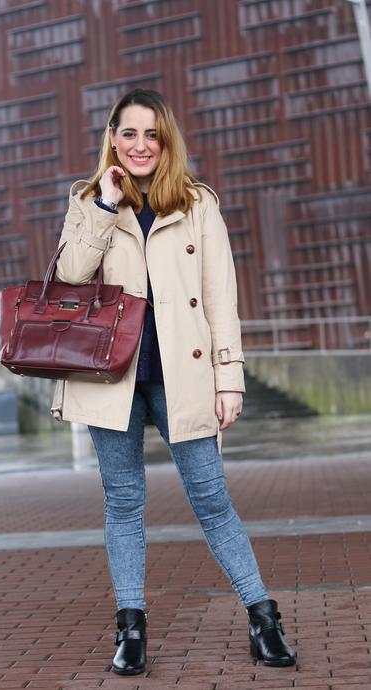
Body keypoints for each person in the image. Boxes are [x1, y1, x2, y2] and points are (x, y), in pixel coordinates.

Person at [51, 88, 296, 675]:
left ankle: (263, 619)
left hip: (181, 374)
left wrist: (229, 378)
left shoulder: (196, 203)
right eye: (129, 133)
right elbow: (68, 278)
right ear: (112, 137)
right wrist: (107, 207)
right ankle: (130, 630)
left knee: (213, 500)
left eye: (151, 135)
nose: (140, 145)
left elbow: (220, 298)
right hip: (111, 378)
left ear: (166, 142)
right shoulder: (89, 200)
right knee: (124, 503)